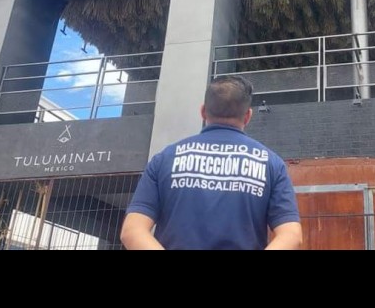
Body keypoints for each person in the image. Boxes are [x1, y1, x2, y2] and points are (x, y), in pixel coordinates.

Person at [120, 75, 303, 250]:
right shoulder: (271, 164)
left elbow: (132, 231)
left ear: (203, 112)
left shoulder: (164, 159)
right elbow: (291, 235)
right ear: (247, 116)